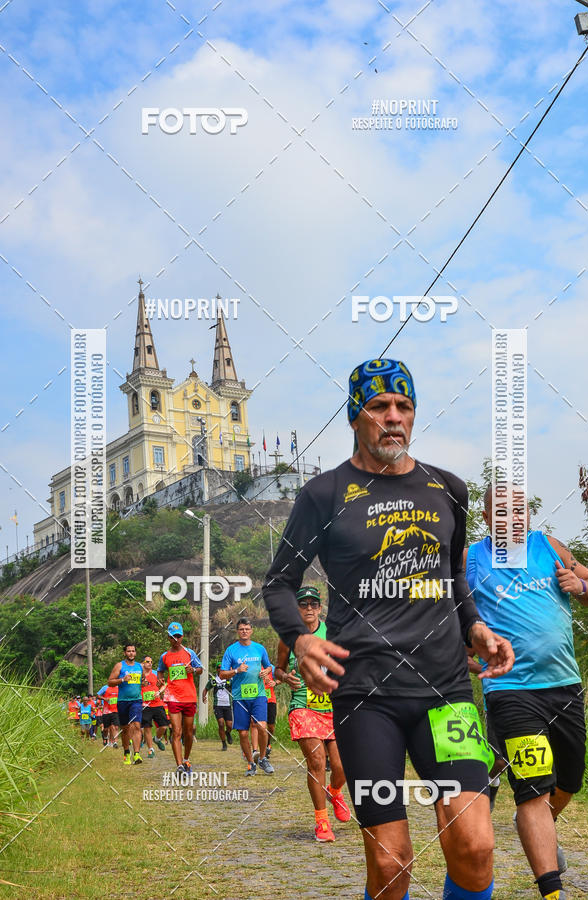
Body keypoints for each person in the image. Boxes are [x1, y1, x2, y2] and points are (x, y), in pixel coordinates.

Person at [263, 358, 514, 900]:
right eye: (378, 407)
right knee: (392, 859)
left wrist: (475, 628)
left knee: (474, 846)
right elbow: (279, 583)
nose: (393, 418)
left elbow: (452, 576)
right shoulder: (324, 496)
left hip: (446, 691)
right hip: (365, 697)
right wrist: (301, 638)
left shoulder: (448, 488)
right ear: (356, 417)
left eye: (404, 406)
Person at [466, 484, 588, 900]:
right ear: (487, 517)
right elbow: (447, 612)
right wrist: (462, 654)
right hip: (511, 690)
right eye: (501, 510)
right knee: (535, 787)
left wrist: (580, 588)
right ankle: (552, 889)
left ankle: (538, 822)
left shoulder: (551, 547)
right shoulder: (471, 559)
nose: (513, 517)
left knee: (569, 782)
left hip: (564, 686)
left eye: (519, 509)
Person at [275, 585, 351, 842]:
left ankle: (335, 790)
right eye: (303, 604)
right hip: (303, 706)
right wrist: (285, 677)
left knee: (342, 765)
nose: (309, 608)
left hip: (333, 707)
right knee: (317, 762)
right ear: (297, 608)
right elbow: (278, 669)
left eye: (313, 604)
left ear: (320, 608)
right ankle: (322, 822)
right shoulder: (288, 638)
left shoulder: (333, 633)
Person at [219, 619, 275, 776]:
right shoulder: (231, 651)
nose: (244, 631)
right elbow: (222, 674)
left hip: (258, 694)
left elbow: (269, 665)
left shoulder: (259, 648)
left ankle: (263, 758)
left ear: (251, 631)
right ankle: (251, 763)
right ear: (237, 631)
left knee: (262, 727)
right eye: (241, 629)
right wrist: (236, 670)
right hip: (239, 697)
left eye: (247, 628)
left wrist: (267, 671)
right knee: (243, 733)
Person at [157, 622, 203, 776]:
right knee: (176, 731)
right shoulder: (165, 656)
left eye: (178, 636)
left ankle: (186, 759)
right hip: (173, 697)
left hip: (189, 697)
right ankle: (179, 766)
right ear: (168, 637)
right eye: (173, 636)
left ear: (182, 636)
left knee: (188, 732)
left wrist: (193, 670)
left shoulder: (190, 653)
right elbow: (160, 672)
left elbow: (201, 669)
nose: (176, 639)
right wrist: (160, 681)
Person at [108, 642, 144, 766]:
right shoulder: (119, 666)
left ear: (136, 653)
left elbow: (142, 680)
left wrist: (143, 683)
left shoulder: (140, 666)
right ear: (125, 653)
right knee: (125, 729)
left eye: (133, 651)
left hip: (136, 700)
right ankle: (126, 752)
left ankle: (137, 754)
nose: (131, 653)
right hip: (123, 701)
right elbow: (110, 682)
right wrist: (123, 679)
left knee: (137, 725)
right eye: (129, 651)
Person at [141, 655, 168, 757]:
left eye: (151, 662)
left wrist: (159, 692)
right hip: (145, 705)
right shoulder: (139, 676)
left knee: (164, 726)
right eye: (147, 661)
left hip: (157, 703)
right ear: (143, 663)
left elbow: (164, 685)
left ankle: (156, 739)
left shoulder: (156, 674)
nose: (150, 663)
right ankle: (150, 749)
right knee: (147, 728)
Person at [202, 671, 233, 750]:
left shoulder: (229, 679)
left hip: (228, 705)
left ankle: (228, 732)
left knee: (229, 725)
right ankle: (223, 743)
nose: (220, 670)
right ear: (216, 670)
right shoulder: (213, 680)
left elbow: (236, 687)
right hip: (218, 705)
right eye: (218, 668)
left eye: (221, 668)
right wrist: (204, 697)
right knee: (221, 724)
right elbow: (205, 689)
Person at [98, 683, 120, 748]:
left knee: (115, 727)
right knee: (106, 729)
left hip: (115, 710)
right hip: (106, 712)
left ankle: (114, 742)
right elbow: (98, 696)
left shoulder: (119, 688)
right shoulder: (105, 687)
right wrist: (105, 699)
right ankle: (105, 737)